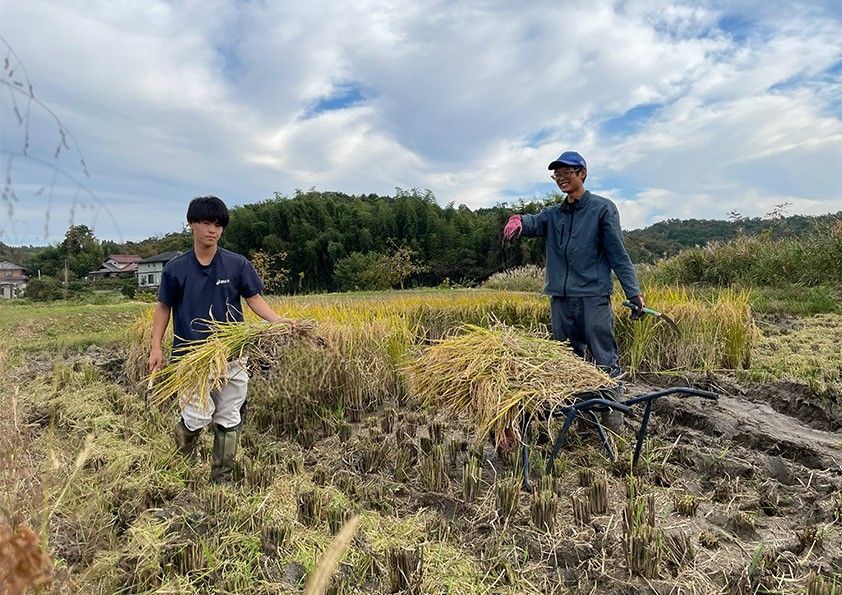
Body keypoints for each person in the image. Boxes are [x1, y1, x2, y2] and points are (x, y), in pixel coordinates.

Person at [148, 196, 296, 484]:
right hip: (191, 358)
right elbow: (163, 308)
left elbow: (254, 299)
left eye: (218, 225)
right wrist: (156, 348)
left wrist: (278, 321)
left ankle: (222, 477)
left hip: (231, 356)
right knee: (197, 416)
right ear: (191, 224)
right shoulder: (175, 270)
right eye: (205, 223)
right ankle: (182, 459)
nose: (212, 230)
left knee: (229, 417)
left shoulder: (236, 264)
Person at [503, 151, 644, 416]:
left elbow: (618, 254)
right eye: (557, 175)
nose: (561, 179)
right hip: (561, 299)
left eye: (567, 173)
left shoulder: (602, 209)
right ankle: (578, 416)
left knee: (604, 359)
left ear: (583, 173)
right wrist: (519, 220)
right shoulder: (553, 215)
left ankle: (611, 418)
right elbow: (534, 222)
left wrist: (633, 292)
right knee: (567, 361)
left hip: (593, 297)